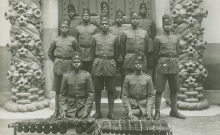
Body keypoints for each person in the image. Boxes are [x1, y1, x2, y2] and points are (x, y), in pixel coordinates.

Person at [153, 14, 186, 120]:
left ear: (172, 25)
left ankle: (174, 110)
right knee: (159, 89)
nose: (167, 26)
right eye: (165, 24)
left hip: (174, 66)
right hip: (162, 65)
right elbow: (155, 55)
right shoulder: (158, 39)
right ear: (163, 26)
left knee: (174, 89)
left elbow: (177, 52)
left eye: (169, 24)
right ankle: (157, 112)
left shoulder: (176, 38)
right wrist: (160, 64)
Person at [48, 18, 82, 118]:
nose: (64, 29)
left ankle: (68, 111)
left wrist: (73, 62)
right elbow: (50, 53)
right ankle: (57, 111)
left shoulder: (73, 40)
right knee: (58, 91)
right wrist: (56, 61)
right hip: (58, 68)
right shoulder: (56, 40)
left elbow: (79, 52)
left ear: (68, 29)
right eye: (62, 27)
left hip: (69, 68)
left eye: (65, 27)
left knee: (69, 90)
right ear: (60, 29)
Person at [90, 15, 120, 119]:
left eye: (106, 24)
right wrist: (97, 61)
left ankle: (111, 112)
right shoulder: (94, 37)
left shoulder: (114, 38)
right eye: (102, 24)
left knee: (111, 90)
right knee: (97, 90)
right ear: (99, 26)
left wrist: (111, 61)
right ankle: (98, 112)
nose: (104, 25)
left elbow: (117, 54)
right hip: (98, 66)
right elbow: (92, 53)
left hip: (110, 65)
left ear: (109, 25)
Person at [59, 52, 94, 118]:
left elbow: (90, 94)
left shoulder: (87, 75)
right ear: (71, 63)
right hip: (69, 108)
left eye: (78, 62)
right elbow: (62, 95)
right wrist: (63, 109)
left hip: (83, 108)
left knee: (84, 126)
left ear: (81, 63)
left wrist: (87, 110)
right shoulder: (66, 76)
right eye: (74, 62)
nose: (76, 63)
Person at [122, 54, 155, 120]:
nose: (138, 65)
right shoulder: (128, 78)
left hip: (144, 108)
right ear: (133, 65)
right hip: (133, 108)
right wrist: (129, 110)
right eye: (136, 63)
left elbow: (151, 96)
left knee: (145, 124)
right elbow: (125, 95)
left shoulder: (148, 78)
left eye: (140, 63)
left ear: (142, 65)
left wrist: (149, 110)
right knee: (134, 124)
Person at [120, 11, 149, 77]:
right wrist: (127, 56)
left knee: (142, 79)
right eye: (133, 19)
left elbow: (146, 48)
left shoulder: (144, 33)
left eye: (136, 19)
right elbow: (122, 49)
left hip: (141, 58)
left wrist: (142, 55)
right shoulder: (125, 33)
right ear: (130, 20)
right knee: (128, 79)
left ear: (139, 20)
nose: (135, 20)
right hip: (129, 59)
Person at [109, 9, 128, 98]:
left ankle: (122, 93)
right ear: (115, 18)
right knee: (113, 74)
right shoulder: (110, 29)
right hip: (113, 54)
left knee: (124, 74)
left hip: (124, 54)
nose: (119, 19)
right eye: (117, 17)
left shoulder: (126, 29)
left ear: (122, 19)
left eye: (120, 18)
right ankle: (114, 93)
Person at [74, 8, 99, 74]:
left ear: (89, 17)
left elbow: (97, 42)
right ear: (82, 17)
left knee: (91, 73)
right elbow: (75, 42)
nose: (85, 16)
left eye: (87, 15)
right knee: (80, 73)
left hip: (91, 53)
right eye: (84, 15)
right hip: (81, 53)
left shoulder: (94, 28)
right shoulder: (77, 28)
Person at [139, 2, 156, 83]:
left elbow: (153, 35)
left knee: (149, 65)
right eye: (141, 9)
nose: (143, 10)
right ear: (139, 10)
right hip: (139, 45)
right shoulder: (137, 20)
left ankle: (149, 83)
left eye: (144, 9)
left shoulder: (150, 21)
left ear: (147, 10)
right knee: (140, 64)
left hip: (149, 46)